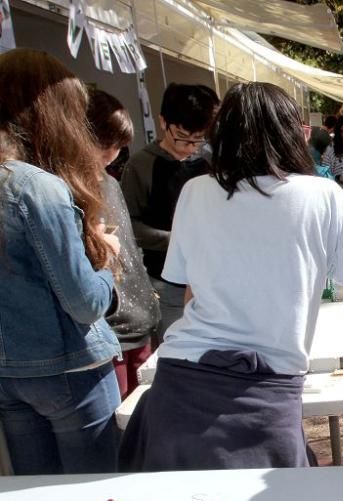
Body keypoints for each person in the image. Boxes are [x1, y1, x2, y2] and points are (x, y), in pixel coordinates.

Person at [118, 83, 343, 471]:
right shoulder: (322, 195)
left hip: (178, 384)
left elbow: (192, 297)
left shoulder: (195, 191)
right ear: (289, 132)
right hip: (265, 392)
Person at [0, 49, 121, 474]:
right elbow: (85, 302)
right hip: (71, 370)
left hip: (11, 375)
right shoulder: (38, 188)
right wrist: (107, 262)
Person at [120, 83, 218, 341]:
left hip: (211, 279)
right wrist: (174, 239)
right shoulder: (141, 165)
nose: (189, 147)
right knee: (177, 349)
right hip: (167, 283)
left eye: (197, 140)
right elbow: (128, 223)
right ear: (163, 122)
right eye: (182, 137)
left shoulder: (208, 164)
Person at [86, 90, 160, 399]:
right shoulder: (64, 189)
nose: (111, 152)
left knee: (144, 414)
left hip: (140, 320)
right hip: (109, 331)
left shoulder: (111, 183)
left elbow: (128, 246)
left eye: (117, 145)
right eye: (105, 142)